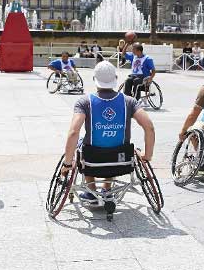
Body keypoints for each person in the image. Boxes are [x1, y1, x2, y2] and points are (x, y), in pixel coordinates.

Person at [61, 61, 155, 202]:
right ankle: (107, 188)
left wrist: (67, 163)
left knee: (81, 144)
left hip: (92, 161)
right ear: (115, 79)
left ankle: (91, 192)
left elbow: (74, 132)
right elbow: (149, 127)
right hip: (120, 160)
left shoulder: (84, 102)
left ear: (94, 79)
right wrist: (147, 156)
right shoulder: (129, 101)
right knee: (114, 146)